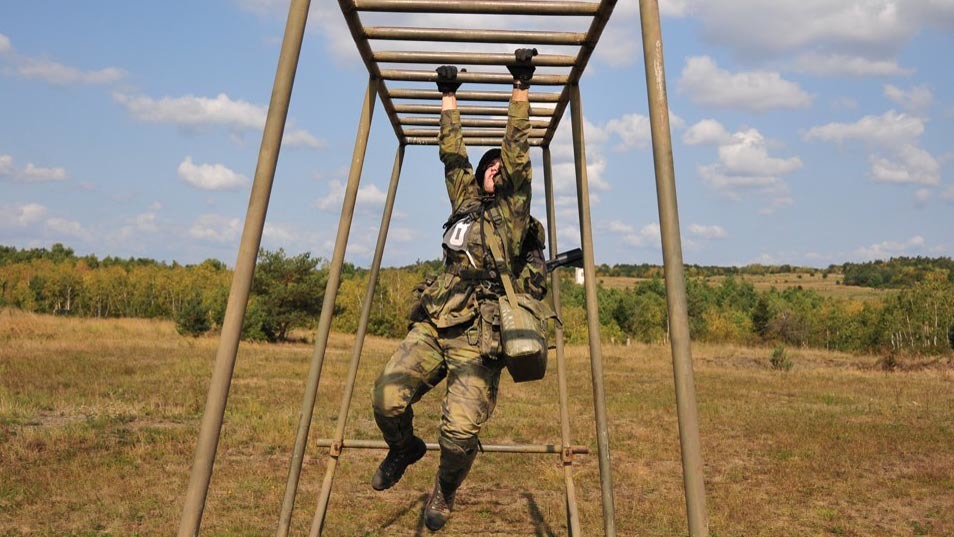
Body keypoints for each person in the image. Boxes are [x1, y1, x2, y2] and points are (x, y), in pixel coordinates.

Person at [370, 48, 547, 531]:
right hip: (435, 321)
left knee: (459, 434)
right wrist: (448, 95)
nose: (494, 169)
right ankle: (404, 448)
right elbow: (453, 156)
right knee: (386, 399)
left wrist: (521, 87)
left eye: (499, 168)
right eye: (488, 166)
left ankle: (445, 489)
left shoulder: (513, 216)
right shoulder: (465, 205)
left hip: (478, 337)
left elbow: (517, 153)